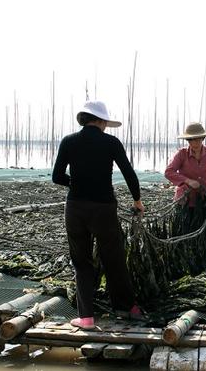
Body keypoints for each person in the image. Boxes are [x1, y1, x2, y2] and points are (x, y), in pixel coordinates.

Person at [52, 100, 144, 330]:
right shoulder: (111, 142)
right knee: (114, 258)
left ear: (84, 119)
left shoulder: (68, 141)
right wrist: (137, 201)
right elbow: (129, 174)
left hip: (75, 208)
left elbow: (57, 177)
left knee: (81, 262)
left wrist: (76, 183)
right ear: (101, 121)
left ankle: (86, 318)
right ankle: (127, 308)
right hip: (104, 208)